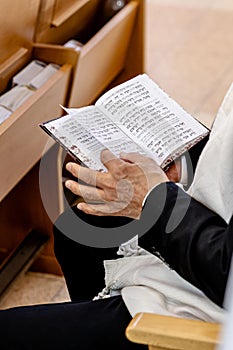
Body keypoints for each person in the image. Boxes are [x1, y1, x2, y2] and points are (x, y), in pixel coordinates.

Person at [0, 83, 233, 349]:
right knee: (77, 230)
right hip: (212, 243)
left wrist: (153, 198)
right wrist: (185, 156)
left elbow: (226, 271)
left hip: (204, 310)